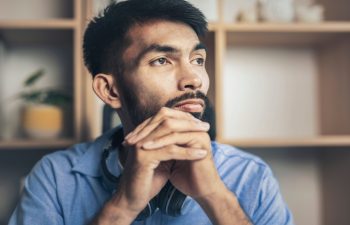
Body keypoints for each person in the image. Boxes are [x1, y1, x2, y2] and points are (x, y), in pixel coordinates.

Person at [9, 0, 294, 224]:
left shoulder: (249, 174)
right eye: (161, 60)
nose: (193, 78)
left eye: (197, 59)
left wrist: (216, 197)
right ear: (110, 91)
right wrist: (122, 207)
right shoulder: (55, 177)